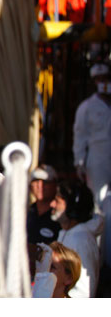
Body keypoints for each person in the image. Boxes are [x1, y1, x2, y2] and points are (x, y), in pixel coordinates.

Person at [50, 179, 103, 297]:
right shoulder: (67, 233)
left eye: (57, 201)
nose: (52, 204)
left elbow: (84, 293)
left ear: (71, 209)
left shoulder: (82, 240)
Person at [73, 62, 111, 211]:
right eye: (99, 79)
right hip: (97, 158)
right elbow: (80, 135)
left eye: (105, 78)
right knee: (98, 199)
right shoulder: (86, 107)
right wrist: (79, 161)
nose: (103, 82)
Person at [26, 164, 61, 245]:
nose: (40, 186)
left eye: (45, 182)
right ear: (30, 186)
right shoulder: (24, 214)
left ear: (55, 185)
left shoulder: (61, 216)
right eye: (36, 181)